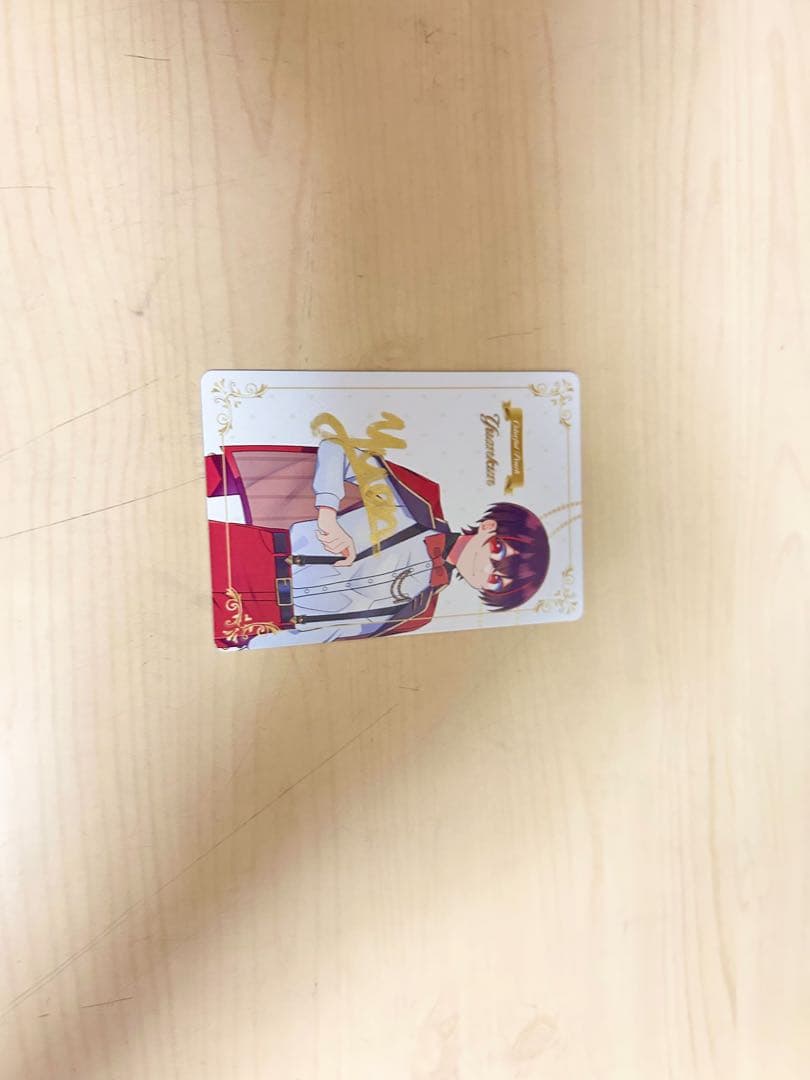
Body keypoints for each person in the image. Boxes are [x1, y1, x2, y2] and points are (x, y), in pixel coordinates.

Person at [206, 439, 550, 647]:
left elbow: (334, 632)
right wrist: (328, 513)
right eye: (498, 551)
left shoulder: (420, 613)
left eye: (496, 580)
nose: (487, 568)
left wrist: (256, 644)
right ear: (488, 527)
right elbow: (336, 450)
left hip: (262, 620)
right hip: (258, 553)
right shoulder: (418, 503)